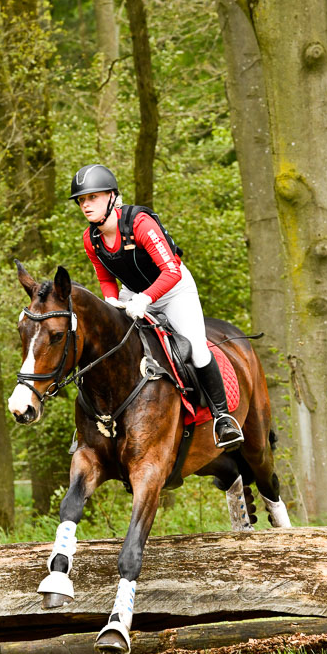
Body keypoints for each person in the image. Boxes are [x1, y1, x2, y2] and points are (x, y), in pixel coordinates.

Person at [69, 163, 244, 449]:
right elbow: (105, 278)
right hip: (133, 293)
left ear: (112, 197)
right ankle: (92, 423)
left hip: (174, 289)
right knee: (106, 344)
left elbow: (171, 271)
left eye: (93, 197)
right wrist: (112, 300)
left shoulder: (139, 224)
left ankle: (222, 418)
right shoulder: (91, 238)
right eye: (82, 200)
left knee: (197, 349)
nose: (86, 205)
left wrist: (146, 299)